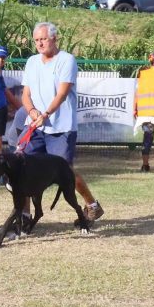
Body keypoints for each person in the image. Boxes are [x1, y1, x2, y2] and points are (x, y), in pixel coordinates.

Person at [20, 22, 104, 224]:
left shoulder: (67, 60)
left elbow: (63, 93)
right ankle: (23, 215)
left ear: (54, 38)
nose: (40, 43)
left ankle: (92, 205)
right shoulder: (31, 61)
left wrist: (46, 113)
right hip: (34, 125)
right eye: (37, 40)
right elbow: (25, 94)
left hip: (61, 126)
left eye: (43, 39)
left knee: (64, 171)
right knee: (22, 169)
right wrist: (32, 112)